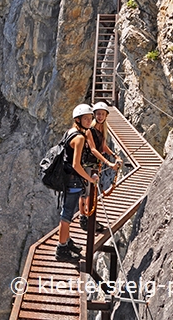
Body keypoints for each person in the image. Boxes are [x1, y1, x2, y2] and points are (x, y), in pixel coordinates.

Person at [56, 104, 99, 262]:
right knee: (66, 216)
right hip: (73, 181)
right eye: (86, 118)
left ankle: (66, 242)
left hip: (67, 179)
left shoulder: (70, 132)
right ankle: (61, 249)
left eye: (90, 118)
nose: (89, 121)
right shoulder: (80, 138)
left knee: (66, 214)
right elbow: (76, 165)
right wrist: (90, 179)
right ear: (78, 120)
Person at [79, 101, 123, 231]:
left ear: (105, 116)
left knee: (91, 191)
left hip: (94, 164)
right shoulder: (89, 131)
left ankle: (89, 217)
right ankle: (83, 217)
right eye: (98, 114)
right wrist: (108, 162)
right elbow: (93, 149)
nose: (100, 116)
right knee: (85, 192)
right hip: (87, 163)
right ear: (94, 115)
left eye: (102, 114)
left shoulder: (102, 130)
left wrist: (114, 156)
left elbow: (103, 146)